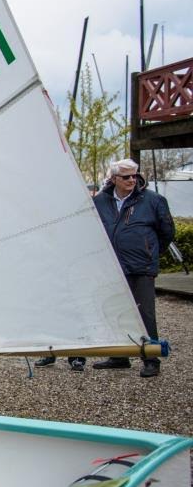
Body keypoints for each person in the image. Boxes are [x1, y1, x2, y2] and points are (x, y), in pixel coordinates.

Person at [90, 159, 174, 377]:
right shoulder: (100, 201)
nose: (131, 180)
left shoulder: (153, 200)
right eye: (126, 176)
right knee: (115, 310)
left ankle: (151, 358)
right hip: (113, 266)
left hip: (141, 266)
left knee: (145, 314)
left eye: (134, 176)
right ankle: (120, 356)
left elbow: (167, 233)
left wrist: (150, 252)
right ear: (114, 178)